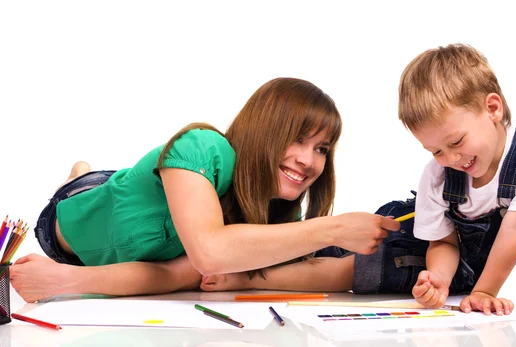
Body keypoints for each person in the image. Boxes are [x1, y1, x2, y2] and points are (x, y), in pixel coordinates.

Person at [196, 43, 516, 316]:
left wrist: (483, 289)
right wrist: (438, 277)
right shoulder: (437, 176)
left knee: (361, 270)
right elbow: (444, 241)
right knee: (349, 256)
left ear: (492, 108)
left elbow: (515, 232)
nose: (451, 159)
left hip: (473, 273)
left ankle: (247, 275)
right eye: (435, 151)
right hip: (418, 235)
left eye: (455, 143)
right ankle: (245, 274)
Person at [9, 77, 400, 303]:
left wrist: (69, 281)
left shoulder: (276, 212)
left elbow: (176, 274)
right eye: (298, 140)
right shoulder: (202, 146)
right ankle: (79, 174)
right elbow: (210, 253)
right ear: (265, 129)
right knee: (83, 188)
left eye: (321, 149)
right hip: (72, 216)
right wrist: (332, 229)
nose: (309, 160)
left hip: (119, 240)